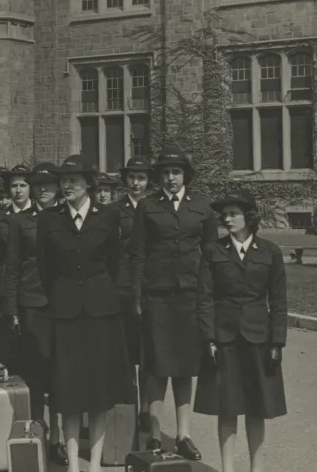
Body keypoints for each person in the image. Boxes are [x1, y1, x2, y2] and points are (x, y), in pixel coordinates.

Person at [36, 155, 134, 472]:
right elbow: (45, 267)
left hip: (101, 313)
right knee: (68, 391)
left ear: (88, 184)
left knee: (99, 391)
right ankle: (74, 465)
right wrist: (61, 298)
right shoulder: (49, 220)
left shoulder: (109, 216)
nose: (68, 185)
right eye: (64, 180)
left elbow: (118, 263)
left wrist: (112, 297)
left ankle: (94, 463)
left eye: (74, 180)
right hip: (65, 315)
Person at [130, 146, 219, 460]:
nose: (170, 178)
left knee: (184, 368)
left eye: (176, 172)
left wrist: (210, 296)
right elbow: (138, 254)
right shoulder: (147, 207)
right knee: (156, 368)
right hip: (158, 296)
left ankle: (183, 434)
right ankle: (154, 435)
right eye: (166, 172)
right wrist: (137, 296)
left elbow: (211, 257)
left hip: (190, 297)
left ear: (186, 176)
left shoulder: (203, 208)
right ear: (160, 177)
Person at [194, 189, 287, 472]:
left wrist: (277, 342)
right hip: (224, 339)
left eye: (233, 214)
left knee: (257, 407)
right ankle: (227, 468)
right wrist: (209, 337)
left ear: (249, 217)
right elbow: (205, 298)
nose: (227, 219)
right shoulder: (213, 251)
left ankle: (256, 468)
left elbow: (279, 301)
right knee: (227, 406)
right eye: (224, 215)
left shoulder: (270, 252)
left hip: (259, 337)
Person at [3, 163, 68, 466]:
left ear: (58, 187)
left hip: (65, 304)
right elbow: (13, 266)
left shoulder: (69, 217)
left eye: (49, 184)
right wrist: (13, 308)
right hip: (32, 301)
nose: (43, 189)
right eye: (37, 184)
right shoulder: (21, 221)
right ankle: (37, 431)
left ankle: (59, 436)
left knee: (60, 371)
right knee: (36, 370)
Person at [112, 155, 155, 431]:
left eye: (141, 178)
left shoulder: (155, 208)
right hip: (125, 285)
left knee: (150, 351)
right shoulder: (115, 210)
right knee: (128, 350)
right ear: (125, 180)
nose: (136, 183)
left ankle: (147, 410)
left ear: (149, 181)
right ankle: (129, 402)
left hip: (152, 285)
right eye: (132, 178)